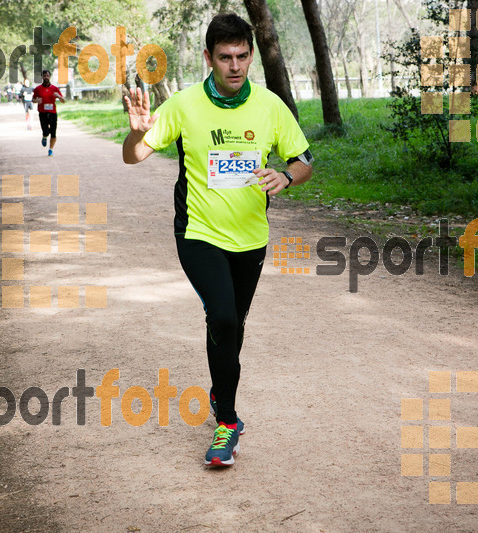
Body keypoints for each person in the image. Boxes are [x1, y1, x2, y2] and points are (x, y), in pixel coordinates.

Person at [122, 13, 313, 467]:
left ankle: (218, 385)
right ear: (208, 57)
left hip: (251, 237)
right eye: (225, 57)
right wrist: (135, 130)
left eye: (242, 56)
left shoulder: (270, 106)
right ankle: (227, 422)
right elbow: (134, 157)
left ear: (251, 56)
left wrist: (286, 177)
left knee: (233, 325)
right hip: (198, 233)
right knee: (224, 318)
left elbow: (304, 160)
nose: (234, 66)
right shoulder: (184, 105)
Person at [32, 70, 65, 156]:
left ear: (50, 77)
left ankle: (50, 149)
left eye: (47, 76)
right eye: (44, 76)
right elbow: (33, 99)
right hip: (42, 113)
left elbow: (63, 101)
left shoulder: (55, 89)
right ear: (42, 77)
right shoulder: (37, 89)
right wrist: (36, 100)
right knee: (46, 131)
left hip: (52, 112)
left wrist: (59, 96)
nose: (46, 77)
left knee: (53, 132)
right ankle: (44, 136)